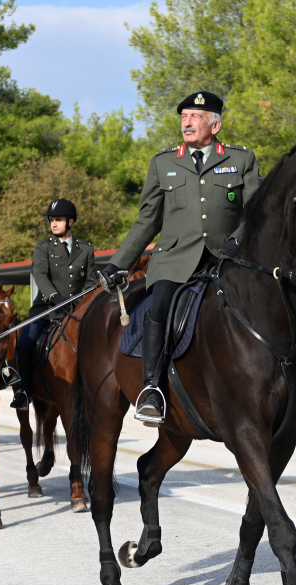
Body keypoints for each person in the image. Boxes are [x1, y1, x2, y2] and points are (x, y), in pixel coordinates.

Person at [95, 90, 261, 423]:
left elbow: (257, 212)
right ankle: (153, 389)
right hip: (173, 259)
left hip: (226, 258)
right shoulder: (163, 162)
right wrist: (118, 263)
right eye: (184, 117)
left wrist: (235, 241)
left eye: (195, 117)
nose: (187, 123)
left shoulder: (240, 159)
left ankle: (282, 381)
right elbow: (147, 220)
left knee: (264, 303)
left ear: (214, 125)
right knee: (159, 306)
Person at [9, 199, 97, 410]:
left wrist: (79, 305)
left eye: (58, 220)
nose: (54, 223)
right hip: (46, 310)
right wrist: (55, 297)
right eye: (51, 220)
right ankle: (24, 390)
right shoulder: (43, 247)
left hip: (76, 311)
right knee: (25, 342)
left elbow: (91, 283)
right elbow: (39, 274)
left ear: (71, 222)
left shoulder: (85, 249)